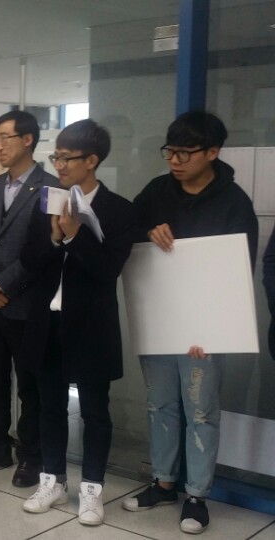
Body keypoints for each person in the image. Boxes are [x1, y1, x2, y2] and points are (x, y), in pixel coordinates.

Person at [122, 111, 258, 534]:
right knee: (160, 404)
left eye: (185, 153)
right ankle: (163, 483)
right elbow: (126, 231)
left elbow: (237, 272)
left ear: (212, 153)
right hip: (160, 320)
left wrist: (214, 330)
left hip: (204, 330)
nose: (175, 161)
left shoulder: (234, 201)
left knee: (201, 411)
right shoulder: (157, 191)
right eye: (170, 151)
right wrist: (148, 230)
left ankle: (197, 495)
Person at [15, 120, 134, 526]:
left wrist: (73, 236)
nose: (60, 165)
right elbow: (28, 260)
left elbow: (108, 269)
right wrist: (52, 239)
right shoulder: (48, 201)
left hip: (91, 327)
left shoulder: (119, 210)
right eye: (57, 157)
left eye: (67, 158)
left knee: (95, 412)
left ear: (92, 160)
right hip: (47, 322)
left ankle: (92, 490)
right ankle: (52, 481)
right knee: (49, 407)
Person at [0, 110, 60, 488]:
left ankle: (31, 454)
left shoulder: (50, 189)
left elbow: (43, 251)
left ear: (28, 140)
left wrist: (2, 286)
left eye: (5, 138)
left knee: (31, 384)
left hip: (26, 305)